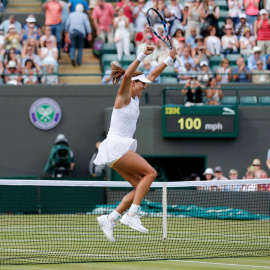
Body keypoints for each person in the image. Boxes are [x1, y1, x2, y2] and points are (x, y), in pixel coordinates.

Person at [95, 45, 177, 243]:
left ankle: (110, 218)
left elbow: (153, 75)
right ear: (134, 83)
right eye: (142, 84)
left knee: (141, 184)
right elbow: (126, 76)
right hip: (116, 145)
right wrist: (142, 55)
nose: (145, 86)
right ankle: (132, 215)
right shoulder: (122, 96)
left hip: (116, 149)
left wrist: (169, 59)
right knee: (151, 173)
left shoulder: (137, 97)